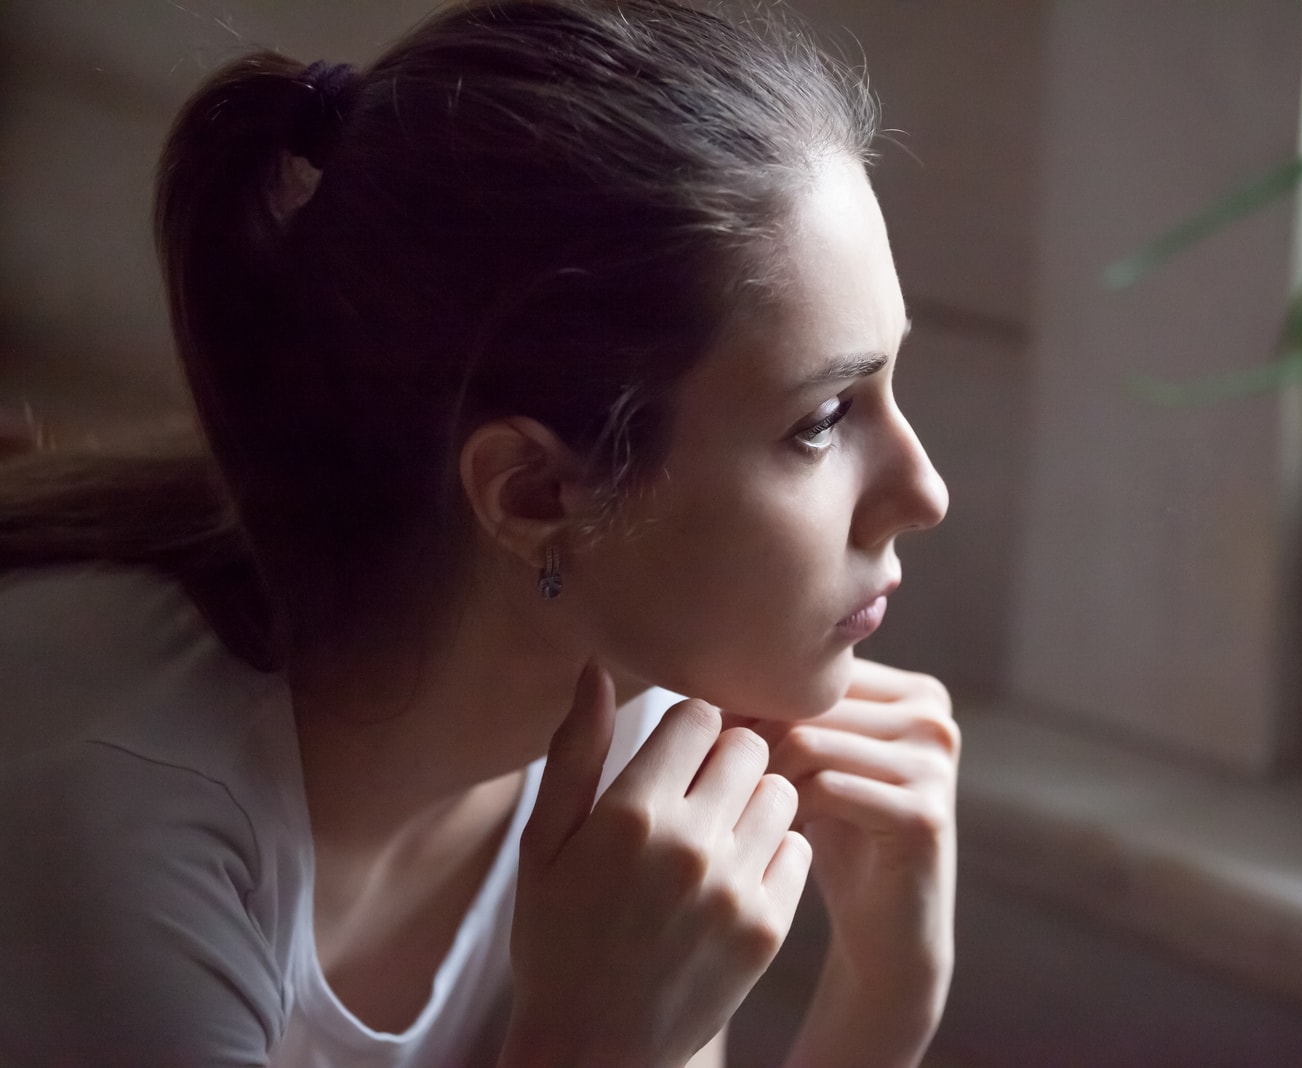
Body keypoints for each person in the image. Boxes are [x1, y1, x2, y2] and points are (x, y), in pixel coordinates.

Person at [0, 0, 955, 1065]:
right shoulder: (116, 832)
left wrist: (886, 994)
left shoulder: (631, 727)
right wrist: (589, 1043)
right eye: (822, 419)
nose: (925, 492)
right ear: (533, 494)